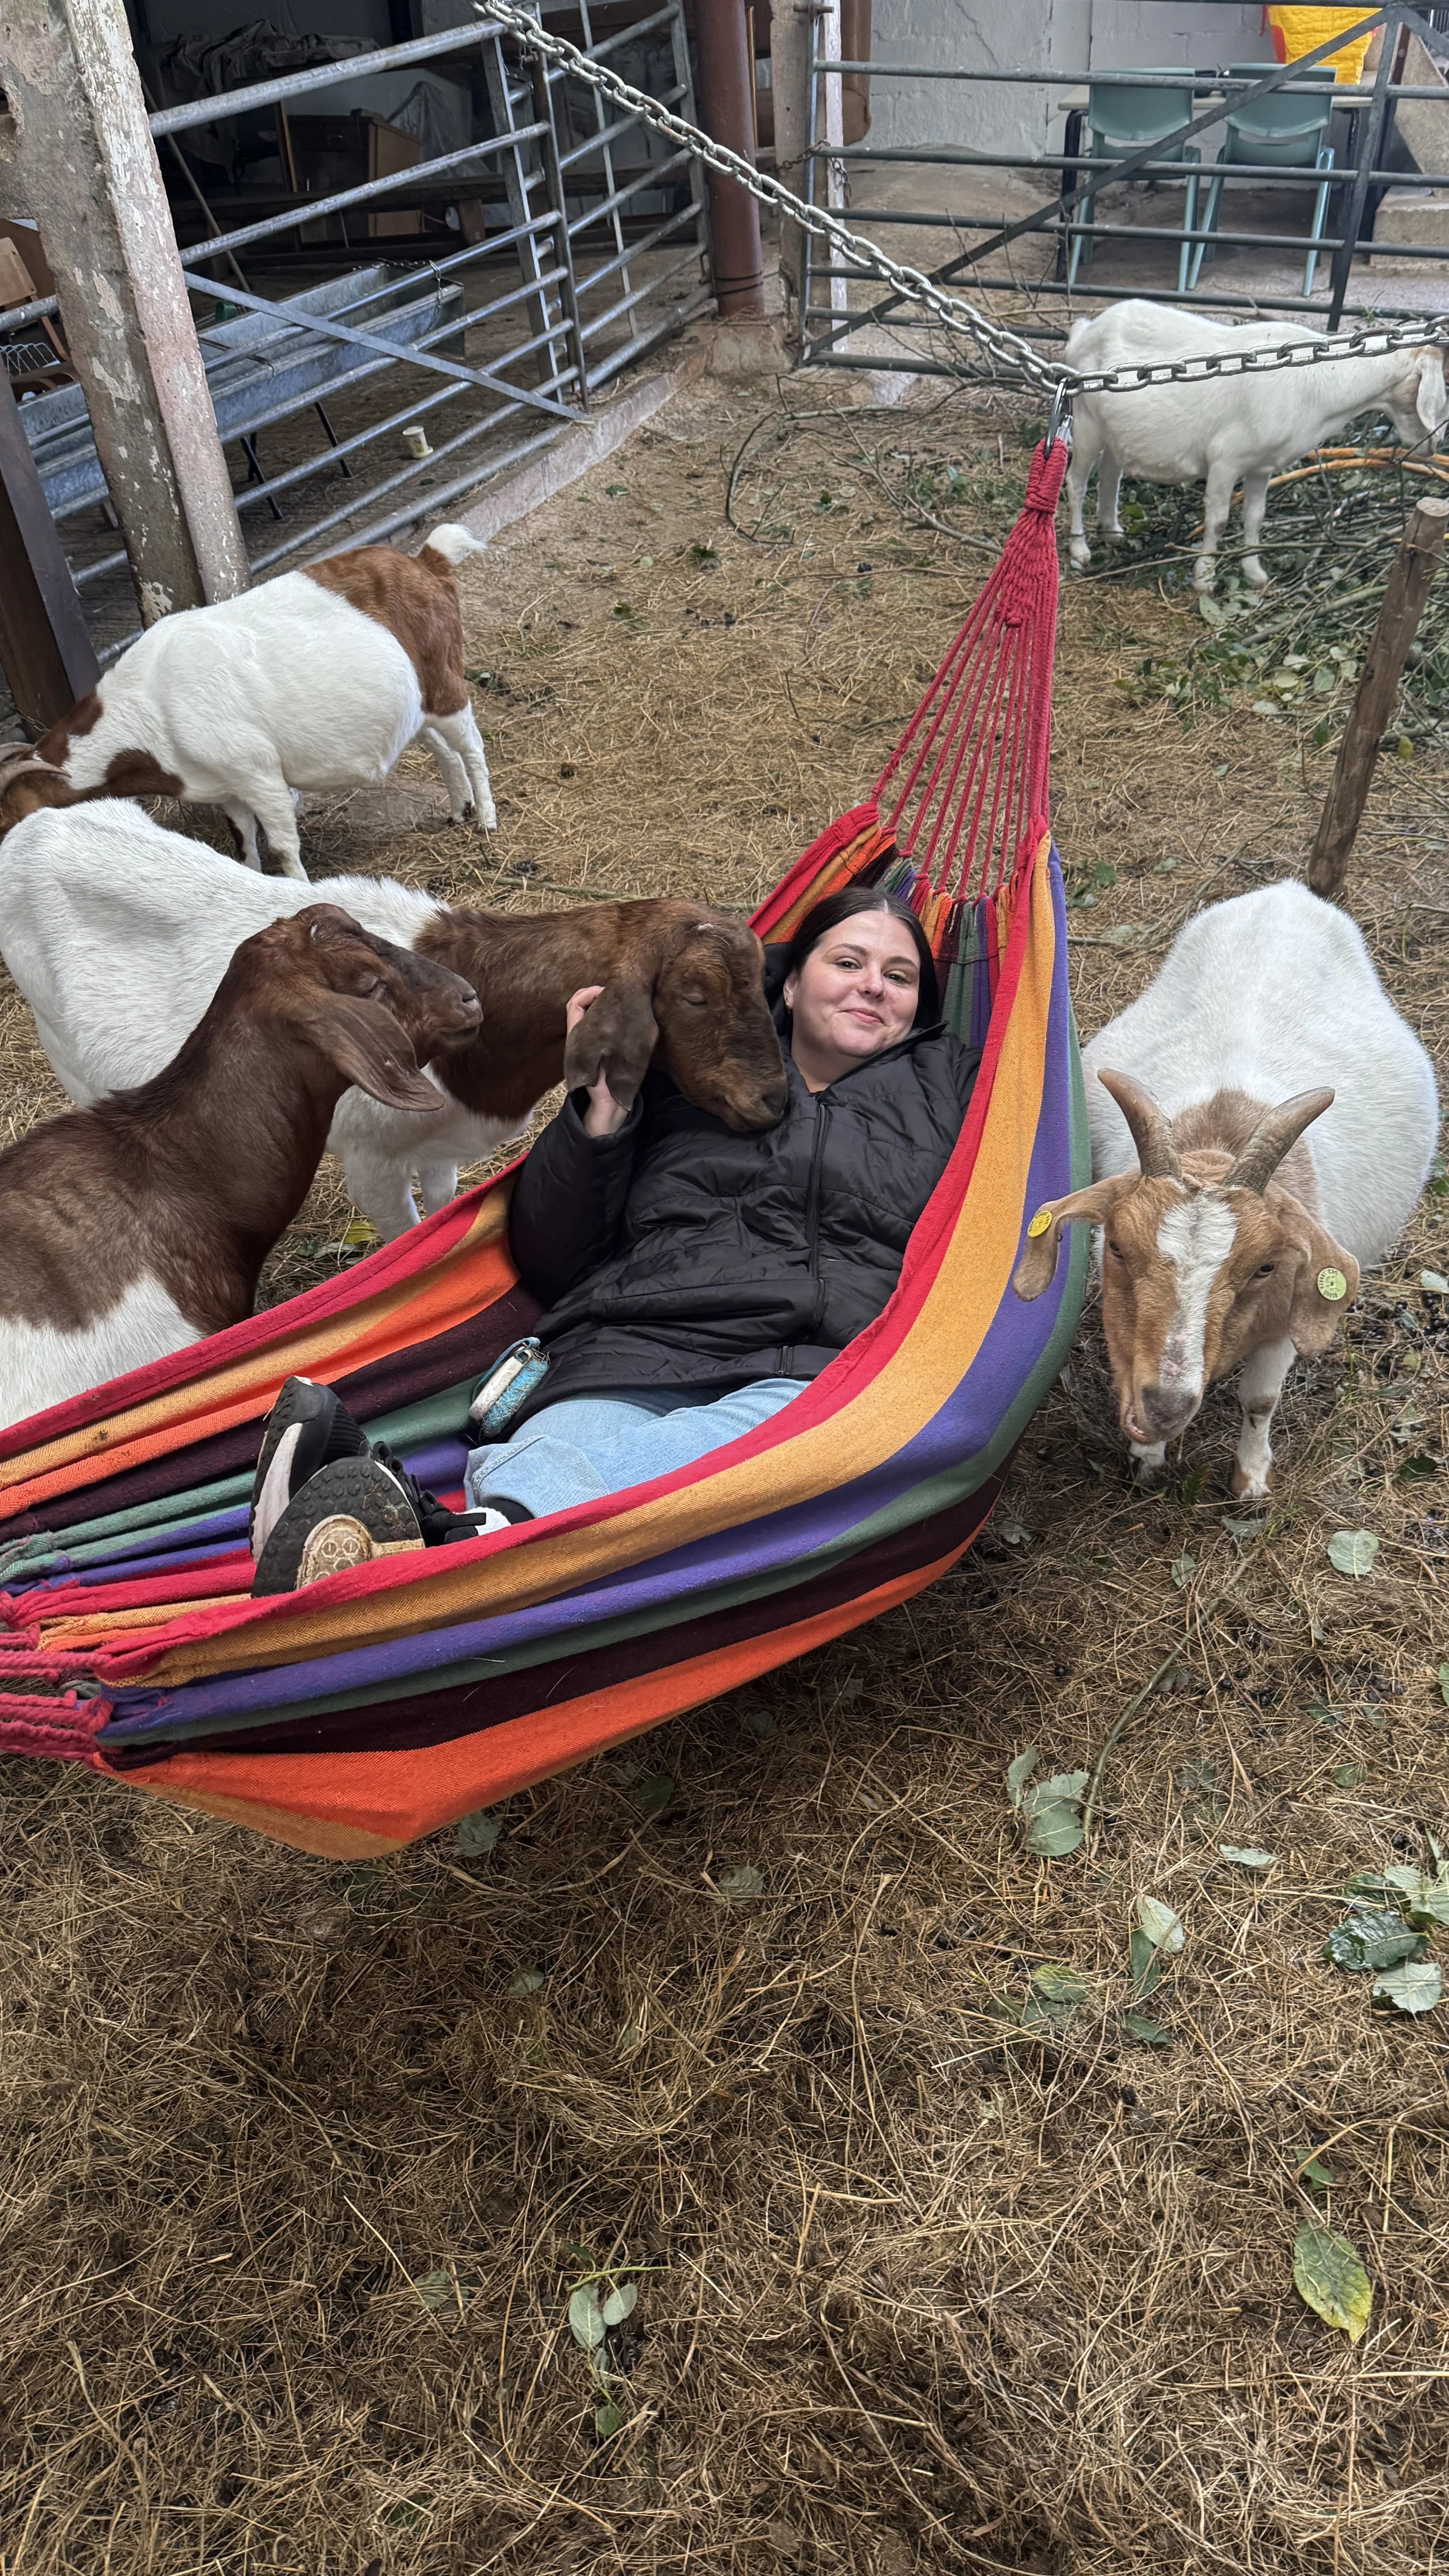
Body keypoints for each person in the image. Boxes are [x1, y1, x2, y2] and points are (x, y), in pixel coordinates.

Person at [249, 888, 981, 1593]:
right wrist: (598, 1117)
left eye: (900, 975)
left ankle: (407, 1520)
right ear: (786, 986)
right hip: (631, 1345)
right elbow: (551, 1256)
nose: (874, 987)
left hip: (812, 1362)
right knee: (564, 1437)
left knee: (790, 1437)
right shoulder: (679, 1067)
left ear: (919, 1005)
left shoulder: (954, 1088)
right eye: (848, 963)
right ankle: (444, 1534)